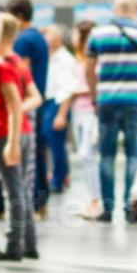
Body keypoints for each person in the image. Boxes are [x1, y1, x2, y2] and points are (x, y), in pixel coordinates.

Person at [85, 0, 137, 224]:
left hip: (107, 101)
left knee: (107, 156)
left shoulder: (98, 34)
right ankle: (130, 207)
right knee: (134, 156)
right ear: (134, 10)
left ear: (115, 9)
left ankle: (108, 209)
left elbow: (89, 68)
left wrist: (94, 96)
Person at [0, 17, 40, 261]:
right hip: (21, 131)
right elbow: (34, 97)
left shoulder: (1, 66)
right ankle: (28, 244)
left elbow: (14, 102)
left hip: (6, 132)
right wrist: (18, 110)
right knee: (21, 190)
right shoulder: (18, 63)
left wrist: (12, 137)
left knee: (12, 191)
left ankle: (12, 246)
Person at [6, 0, 50, 217]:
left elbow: (20, 73)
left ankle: (31, 202)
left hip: (26, 103)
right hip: (39, 100)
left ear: (20, 16)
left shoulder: (23, 40)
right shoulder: (39, 38)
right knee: (37, 153)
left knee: (27, 157)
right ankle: (40, 202)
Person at [58, 21, 100, 215]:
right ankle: (92, 200)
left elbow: (97, 85)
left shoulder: (96, 61)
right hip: (78, 111)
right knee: (84, 158)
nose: (73, 39)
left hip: (92, 111)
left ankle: (97, 202)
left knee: (87, 154)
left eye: (76, 35)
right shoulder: (77, 60)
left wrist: (76, 90)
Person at [43, 24, 77, 194]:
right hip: (48, 102)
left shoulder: (65, 59)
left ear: (57, 38)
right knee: (52, 144)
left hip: (57, 103)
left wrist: (61, 114)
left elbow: (67, 88)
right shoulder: (49, 56)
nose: (45, 38)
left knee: (56, 144)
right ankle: (58, 176)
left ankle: (59, 179)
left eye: (48, 35)